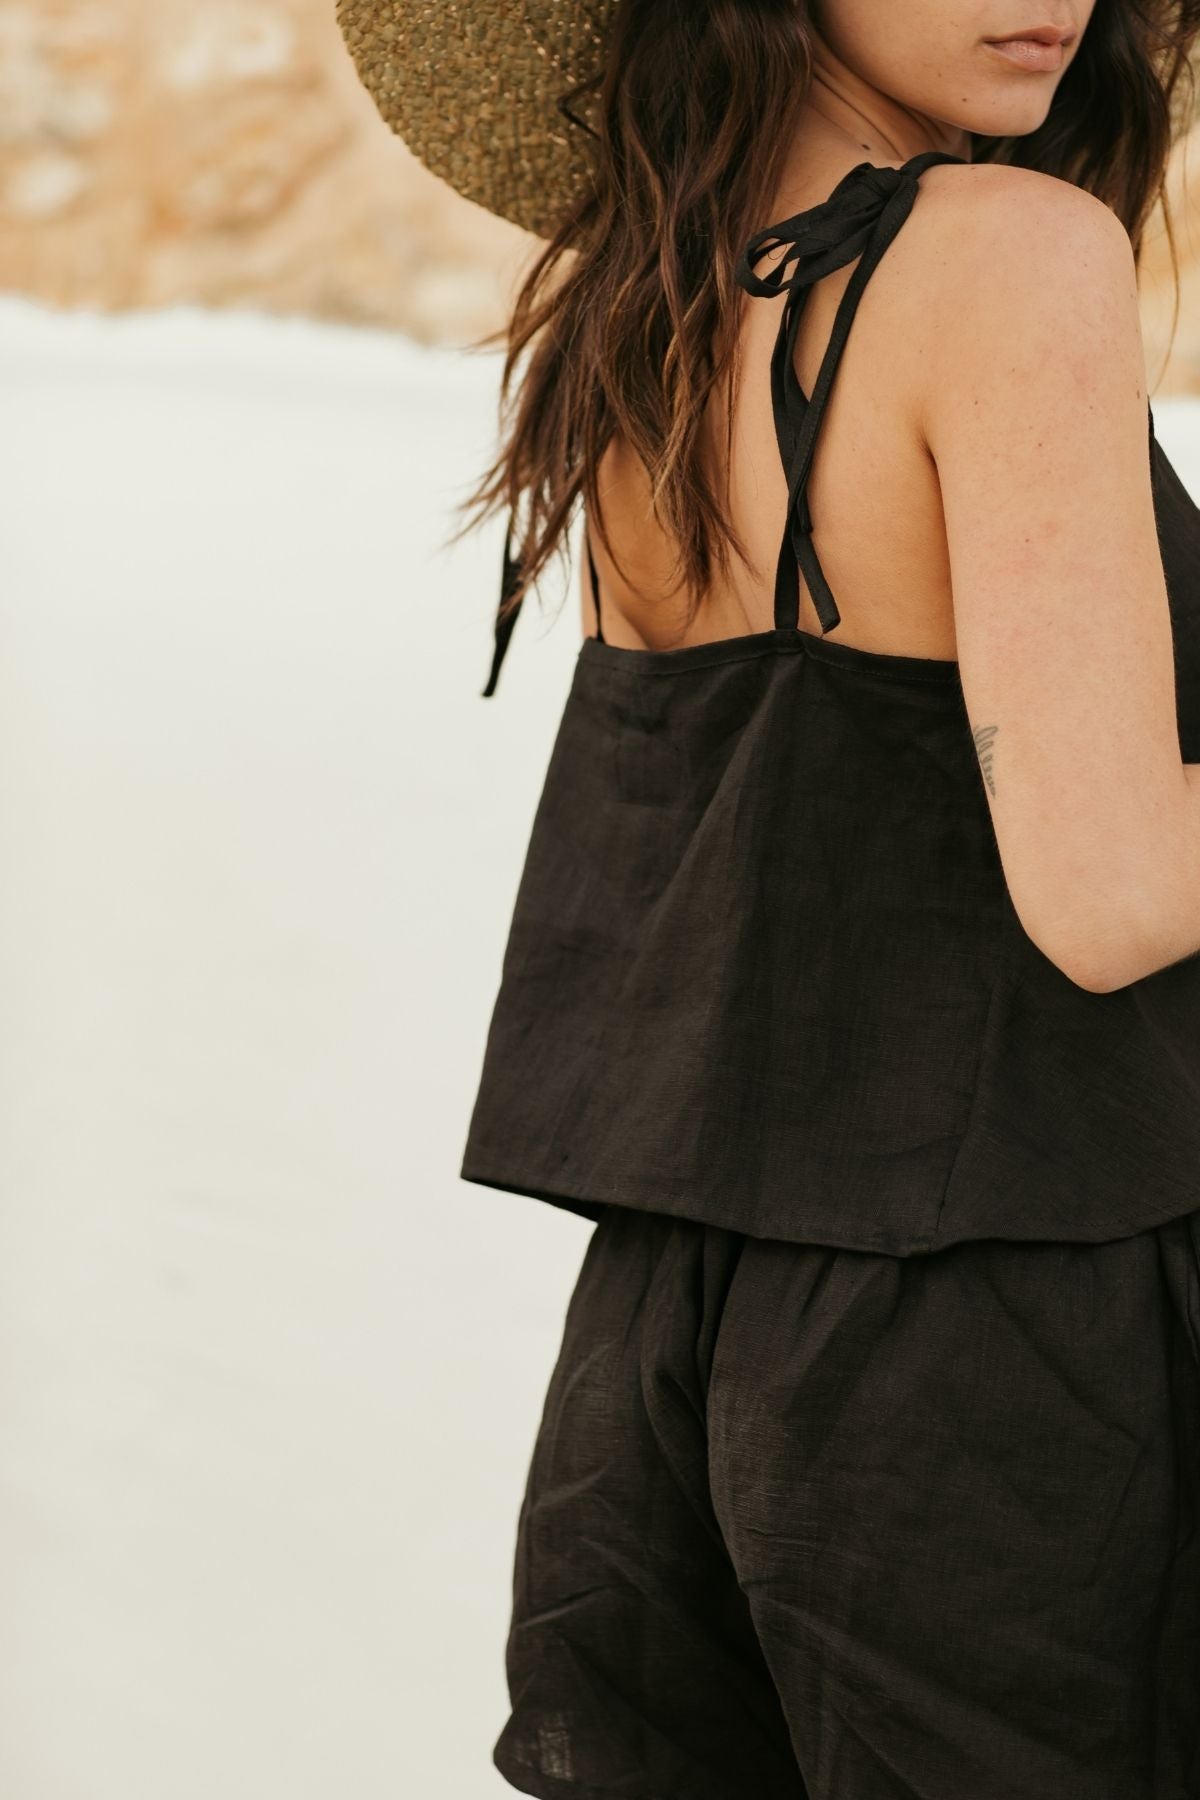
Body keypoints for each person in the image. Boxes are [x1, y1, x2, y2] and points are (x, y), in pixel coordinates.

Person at [338, 3, 1200, 1795]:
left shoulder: (645, 293)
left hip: (669, 1340)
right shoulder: (1013, 256)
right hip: (1009, 1335)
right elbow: (1107, 890)